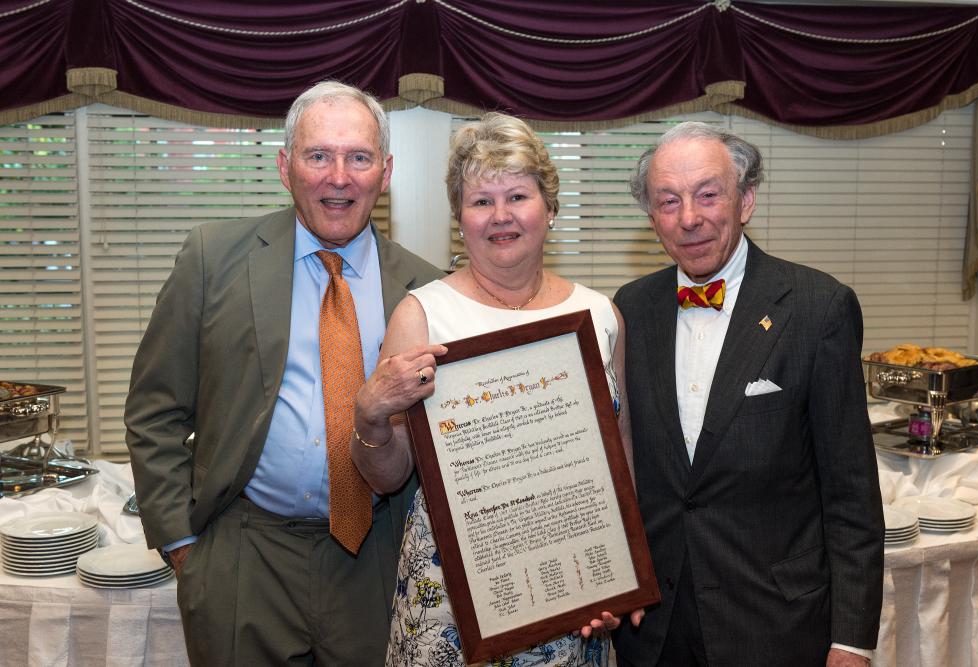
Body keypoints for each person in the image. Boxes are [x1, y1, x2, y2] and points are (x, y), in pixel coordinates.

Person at [124, 80, 443, 665]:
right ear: (285, 165)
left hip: (375, 558)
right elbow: (156, 409)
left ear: (386, 171)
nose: (339, 177)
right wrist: (183, 547)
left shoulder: (426, 290)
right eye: (318, 155)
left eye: (359, 157)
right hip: (246, 555)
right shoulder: (212, 258)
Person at [350, 112, 640, 666]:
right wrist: (368, 416)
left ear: (550, 209)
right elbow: (388, 476)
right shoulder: (422, 315)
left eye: (518, 196)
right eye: (481, 200)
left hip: (573, 595)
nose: (501, 216)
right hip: (452, 608)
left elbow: (618, 455)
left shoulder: (600, 315)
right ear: (459, 217)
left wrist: (617, 574)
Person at [612, 122, 884, 667]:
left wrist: (851, 642)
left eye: (708, 194)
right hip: (656, 629)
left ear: (747, 200)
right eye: (669, 201)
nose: (689, 217)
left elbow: (851, 493)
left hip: (774, 624)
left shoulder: (817, 308)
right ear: (652, 217)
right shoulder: (630, 309)